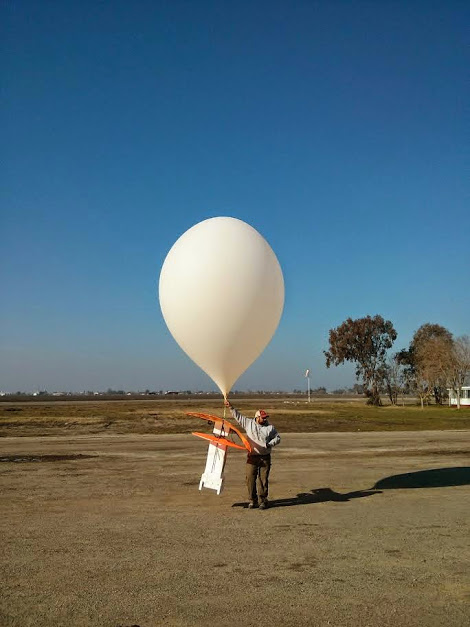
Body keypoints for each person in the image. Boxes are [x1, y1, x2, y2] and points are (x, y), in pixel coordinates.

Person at [224, 398, 281, 509]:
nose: (264, 420)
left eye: (265, 418)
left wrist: (270, 444)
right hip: (252, 457)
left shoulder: (270, 428)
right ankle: (252, 500)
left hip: (265, 457)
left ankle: (263, 500)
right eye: (262, 418)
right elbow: (238, 416)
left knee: (263, 480)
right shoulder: (248, 423)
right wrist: (230, 406)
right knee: (250, 478)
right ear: (257, 417)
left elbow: (278, 438)